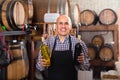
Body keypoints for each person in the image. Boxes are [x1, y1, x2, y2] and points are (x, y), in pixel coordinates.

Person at [36, 15, 90, 80]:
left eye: (66, 23)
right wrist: (42, 64)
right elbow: (39, 67)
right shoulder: (47, 43)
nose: (63, 26)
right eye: (60, 23)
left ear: (70, 26)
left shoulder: (79, 43)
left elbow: (86, 67)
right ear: (56, 26)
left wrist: (83, 62)